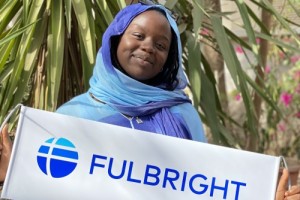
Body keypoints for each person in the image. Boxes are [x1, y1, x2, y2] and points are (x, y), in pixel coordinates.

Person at [0, 2, 299, 199]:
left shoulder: (182, 116)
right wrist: (17, 169)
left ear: (168, 59)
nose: (148, 48)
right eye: (138, 35)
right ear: (116, 38)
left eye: (160, 45)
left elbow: (208, 188)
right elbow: (51, 187)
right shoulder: (72, 117)